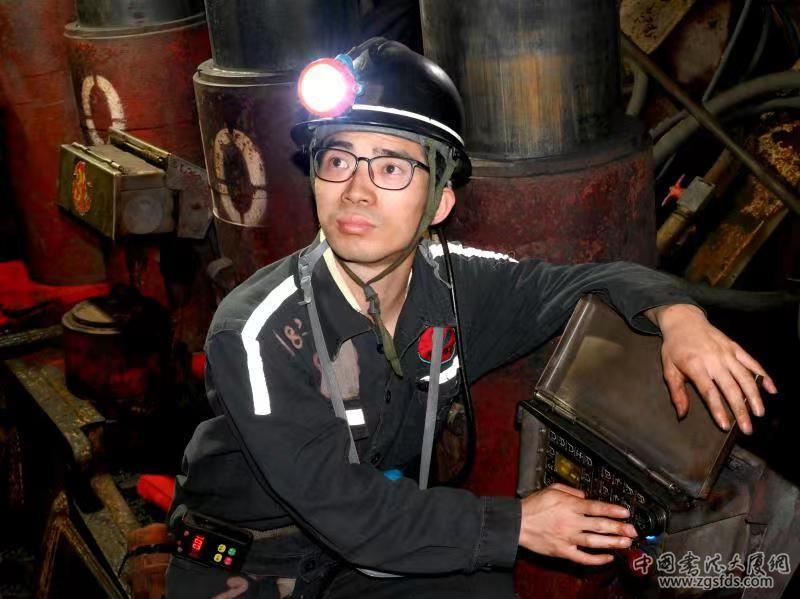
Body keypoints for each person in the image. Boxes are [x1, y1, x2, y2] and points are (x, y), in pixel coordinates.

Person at [165, 38, 777, 599]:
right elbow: (346, 511)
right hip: (251, 570)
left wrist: (678, 316)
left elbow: (587, 279)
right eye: (337, 161)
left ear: (440, 201)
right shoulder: (258, 332)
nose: (356, 190)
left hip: (359, 565)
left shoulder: (455, 286)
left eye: (391, 167)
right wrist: (519, 523)